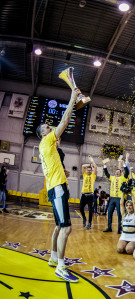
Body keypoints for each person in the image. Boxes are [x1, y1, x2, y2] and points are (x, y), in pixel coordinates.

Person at [37, 88, 80, 282]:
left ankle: (54, 258)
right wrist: (72, 98)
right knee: (66, 228)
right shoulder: (46, 141)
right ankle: (61, 267)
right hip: (57, 188)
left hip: (54, 186)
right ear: (43, 134)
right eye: (46, 127)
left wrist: (64, 172)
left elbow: (54, 167)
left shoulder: (48, 148)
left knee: (58, 226)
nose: (49, 127)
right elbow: (64, 122)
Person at [103, 159, 129, 234]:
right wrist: (105, 165)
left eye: (118, 172)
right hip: (112, 198)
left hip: (119, 199)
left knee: (119, 214)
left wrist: (124, 164)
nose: (117, 173)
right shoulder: (112, 178)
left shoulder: (123, 178)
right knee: (109, 213)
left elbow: (127, 172)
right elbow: (106, 173)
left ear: (121, 173)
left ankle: (119, 229)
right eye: (116, 172)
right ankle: (109, 227)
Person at [79, 155, 97, 230]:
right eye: (88, 170)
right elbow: (83, 166)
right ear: (86, 171)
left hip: (90, 196)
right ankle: (84, 218)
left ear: (92, 171)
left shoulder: (93, 176)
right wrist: (90, 165)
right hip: (84, 195)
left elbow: (95, 167)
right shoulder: (84, 174)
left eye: (90, 170)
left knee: (90, 210)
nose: (89, 171)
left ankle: (89, 223)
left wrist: (92, 160)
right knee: (80, 208)